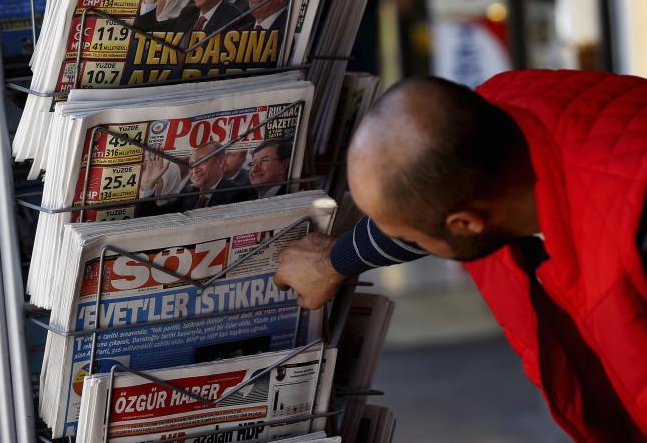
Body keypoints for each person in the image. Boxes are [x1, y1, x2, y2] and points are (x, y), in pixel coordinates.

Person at [273, 70, 647, 442]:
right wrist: (334, 261)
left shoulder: (629, 243)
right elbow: (425, 199)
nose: (397, 238)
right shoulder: (489, 114)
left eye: (402, 233)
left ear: (466, 224)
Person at [137, 141, 255, 214]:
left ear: (220, 162)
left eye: (201, 161)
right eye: (191, 164)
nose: (194, 169)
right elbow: (156, 218)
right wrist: (148, 186)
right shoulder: (188, 192)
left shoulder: (240, 194)